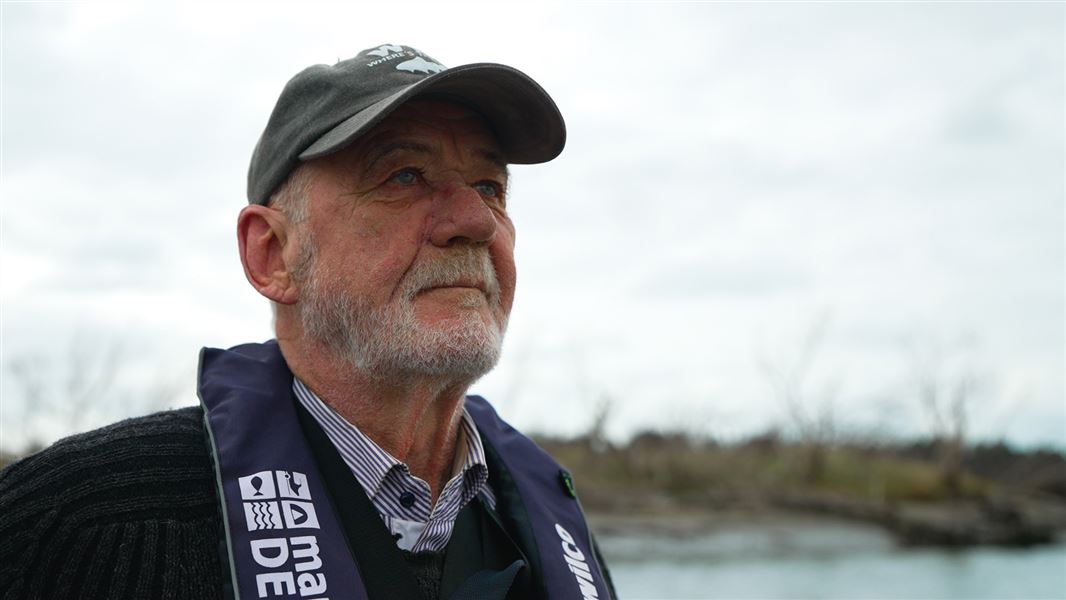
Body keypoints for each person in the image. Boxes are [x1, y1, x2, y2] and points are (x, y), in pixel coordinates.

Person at [0, 44, 616, 600]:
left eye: (489, 186)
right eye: (404, 176)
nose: (476, 221)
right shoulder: (72, 523)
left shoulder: (554, 519)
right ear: (272, 254)